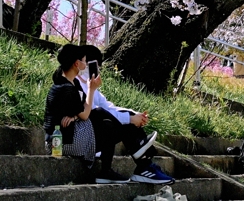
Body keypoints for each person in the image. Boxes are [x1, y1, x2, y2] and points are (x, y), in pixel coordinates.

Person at [77, 45, 173, 185]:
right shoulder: (76, 84)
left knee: (122, 118)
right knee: (110, 120)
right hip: (82, 138)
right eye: (95, 64)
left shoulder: (90, 85)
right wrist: (129, 119)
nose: (98, 69)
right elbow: (95, 112)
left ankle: (144, 165)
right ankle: (141, 155)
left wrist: (134, 114)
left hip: (95, 134)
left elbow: (109, 106)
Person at [43, 45, 111, 181]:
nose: (86, 64)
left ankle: (107, 169)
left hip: (59, 139)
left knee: (101, 118)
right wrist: (91, 90)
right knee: (104, 123)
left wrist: (74, 116)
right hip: (61, 144)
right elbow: (85, 114)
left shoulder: (69, 83)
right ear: (76, 63)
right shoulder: (67, 89)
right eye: (84, 61)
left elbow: (80, 111)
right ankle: (106, 170)